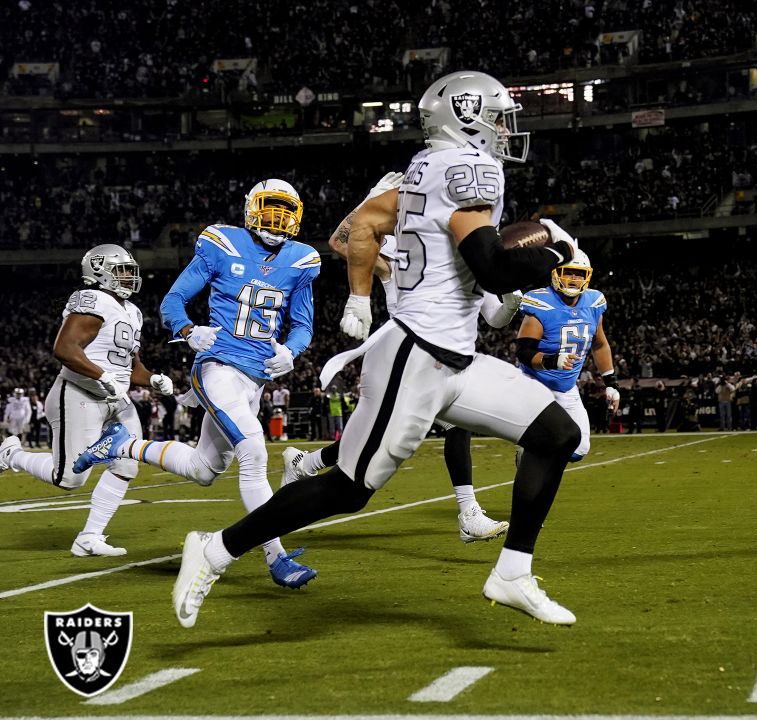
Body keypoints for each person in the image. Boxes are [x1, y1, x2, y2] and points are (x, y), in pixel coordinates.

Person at [165, 70, 584, 629]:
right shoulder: (470, 168)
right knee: (347, 488)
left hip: (454, 356)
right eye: (498, 116)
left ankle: (512, 572)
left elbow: (361, 223)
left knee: (556, 434)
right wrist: (553, 253)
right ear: (466, 116)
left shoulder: (423, 167)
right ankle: (214, 549)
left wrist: (363, 296)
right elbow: (492, 265)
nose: (505, 130)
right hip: (417, 356)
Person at [74, 180, 321, 585]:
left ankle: (122, 444)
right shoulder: (222, 243)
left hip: (255, 378)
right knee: (255, 453)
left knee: (204, 468)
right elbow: (173, 300)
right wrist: (188, 330)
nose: (276, 217)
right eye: (269, 207)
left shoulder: (301, 260)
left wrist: (290, 351)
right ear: (249, 208)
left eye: (283, 209)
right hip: (218, 366)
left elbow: (303, 325)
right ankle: (275, 558)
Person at [280, 177, 521, 544]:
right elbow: (341, 243)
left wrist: (510, 301)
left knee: (391, 437)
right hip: (403, 354)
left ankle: (306, 464)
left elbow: (495, 319)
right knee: (390, 446)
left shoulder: (467, 266)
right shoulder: (402, 263)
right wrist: (368, 202)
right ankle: (468, 513)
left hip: (445, 358)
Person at [0, 245, 174, 557]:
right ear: (98, 271)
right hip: (79, 394)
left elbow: (129, 367)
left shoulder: (133, 312)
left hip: (114, 401)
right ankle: (12, 454)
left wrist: (152, 379)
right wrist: (101, 376)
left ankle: (90, 536)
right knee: (69, 479)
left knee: (126, 465)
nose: (129, 277)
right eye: (121, 270)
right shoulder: (92, 300)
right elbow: (65, 348)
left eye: (130, 270)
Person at [516, 248, 620, 460]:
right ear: (556, 273)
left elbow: (599, 345)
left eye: (579, 274)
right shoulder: (542, 302)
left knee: (579, 449)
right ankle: (531, 458)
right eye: (568, 272)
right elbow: (524, 352)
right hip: (534, 382)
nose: (573, 279)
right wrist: (552, 360)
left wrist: (611, 383)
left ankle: (531, 453)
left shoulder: (593, 302)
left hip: (565, 386)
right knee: (548, 436)